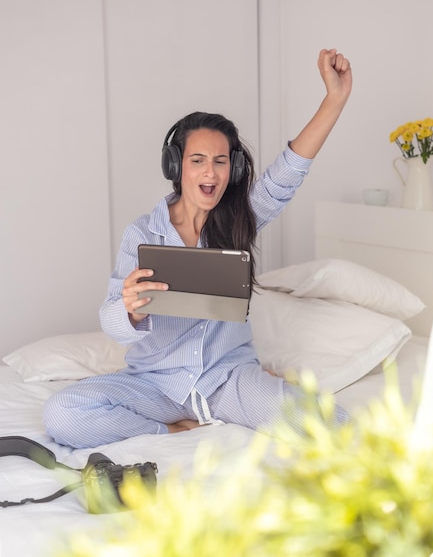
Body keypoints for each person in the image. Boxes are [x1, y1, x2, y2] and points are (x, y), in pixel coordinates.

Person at [44, 48, 352, 448]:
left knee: (332, 426)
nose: (210, 172)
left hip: (228, 380)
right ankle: (172, 430)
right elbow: (110, 322)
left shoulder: (241, 217)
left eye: (221, 161)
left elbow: (287, 173)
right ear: (177, 167)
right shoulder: (142, 234)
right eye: (198, 160)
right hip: (153, 384)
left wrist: (335, 99)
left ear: (233, 169)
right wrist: (129, 309)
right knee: (63, 413)